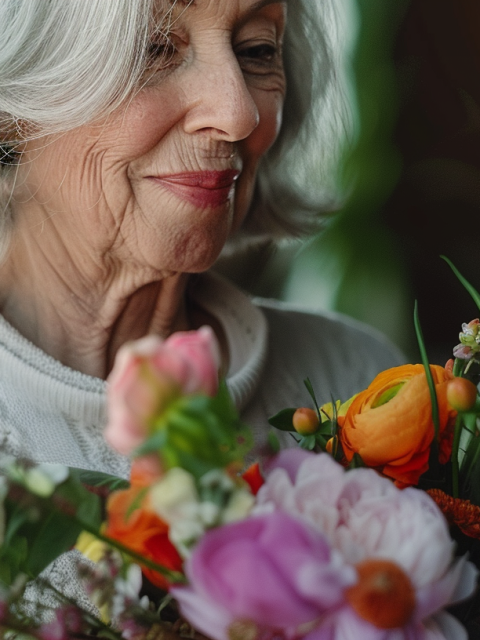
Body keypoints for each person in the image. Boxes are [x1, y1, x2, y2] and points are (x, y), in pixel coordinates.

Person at [0, 0, 404, 626]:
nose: (239, 112)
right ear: (12, 110)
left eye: (257, 51)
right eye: (152, 49)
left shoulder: (358, 382)